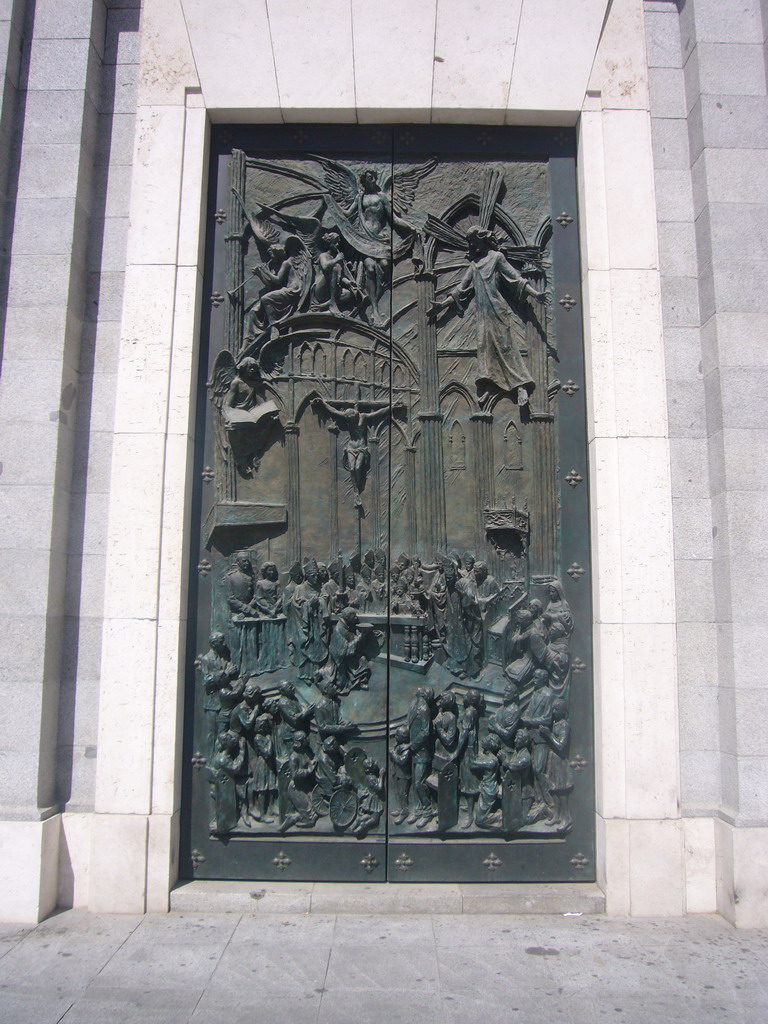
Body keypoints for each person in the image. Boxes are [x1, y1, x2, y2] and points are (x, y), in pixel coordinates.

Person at [427, 225, 546, 404]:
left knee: (505, 346)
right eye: (470, 243)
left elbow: (516, 279)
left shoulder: (497, 258)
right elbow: (461, 289)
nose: (472, 245)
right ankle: (491, 385)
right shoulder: (474, 265)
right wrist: (443, 305)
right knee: (485, 348)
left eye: (474, 241)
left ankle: (521, 386)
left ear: (482, 239)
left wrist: (535, 294)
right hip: (481, 315)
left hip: (497, 310)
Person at [197, 632, 239, 758]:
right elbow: (206, 681)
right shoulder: (206, 659)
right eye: (221, 641)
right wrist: (225, 673)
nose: (224, 644)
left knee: (223, 732)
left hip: (225, 699)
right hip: (213, 702)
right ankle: (210, 758)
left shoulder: (225, 655)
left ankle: (220, 757)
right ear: (214, 644)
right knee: (212, 732)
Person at [457, 689, 484, 829]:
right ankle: (468, 808)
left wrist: (456, 752)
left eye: (465, 695)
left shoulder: (469, 712)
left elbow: (464, 734)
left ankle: (470, 815)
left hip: (468, 750)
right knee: (467, 780)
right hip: (470, 748)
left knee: (469, 782)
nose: (463, 697)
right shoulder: (472, 711)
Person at [389, 725, 412, 825]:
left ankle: (404, 811)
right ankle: (400, 808)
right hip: (397, 772)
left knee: (403, 793)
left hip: (403, 775)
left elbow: (402, 761)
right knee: (398, 792)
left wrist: (393, 753)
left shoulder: (406, 750)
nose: (395, 737)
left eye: (397, 736)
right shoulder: (398, 745)